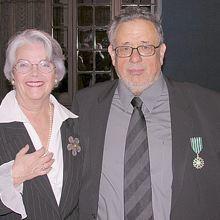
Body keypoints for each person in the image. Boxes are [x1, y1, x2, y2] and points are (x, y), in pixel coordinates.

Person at [72, 7, 220, 220]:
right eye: (125, 48)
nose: (135, 58)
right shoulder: (85, 106)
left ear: (161, 52)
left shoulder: (208, 106)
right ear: (112, 54)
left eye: (145, 47)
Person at [0, 29, 82, 219]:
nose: (34, 73)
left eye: (45, 64)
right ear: (12, 75)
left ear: (56, 75)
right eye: (23, 65)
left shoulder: (76, 126)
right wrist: (12, 177)